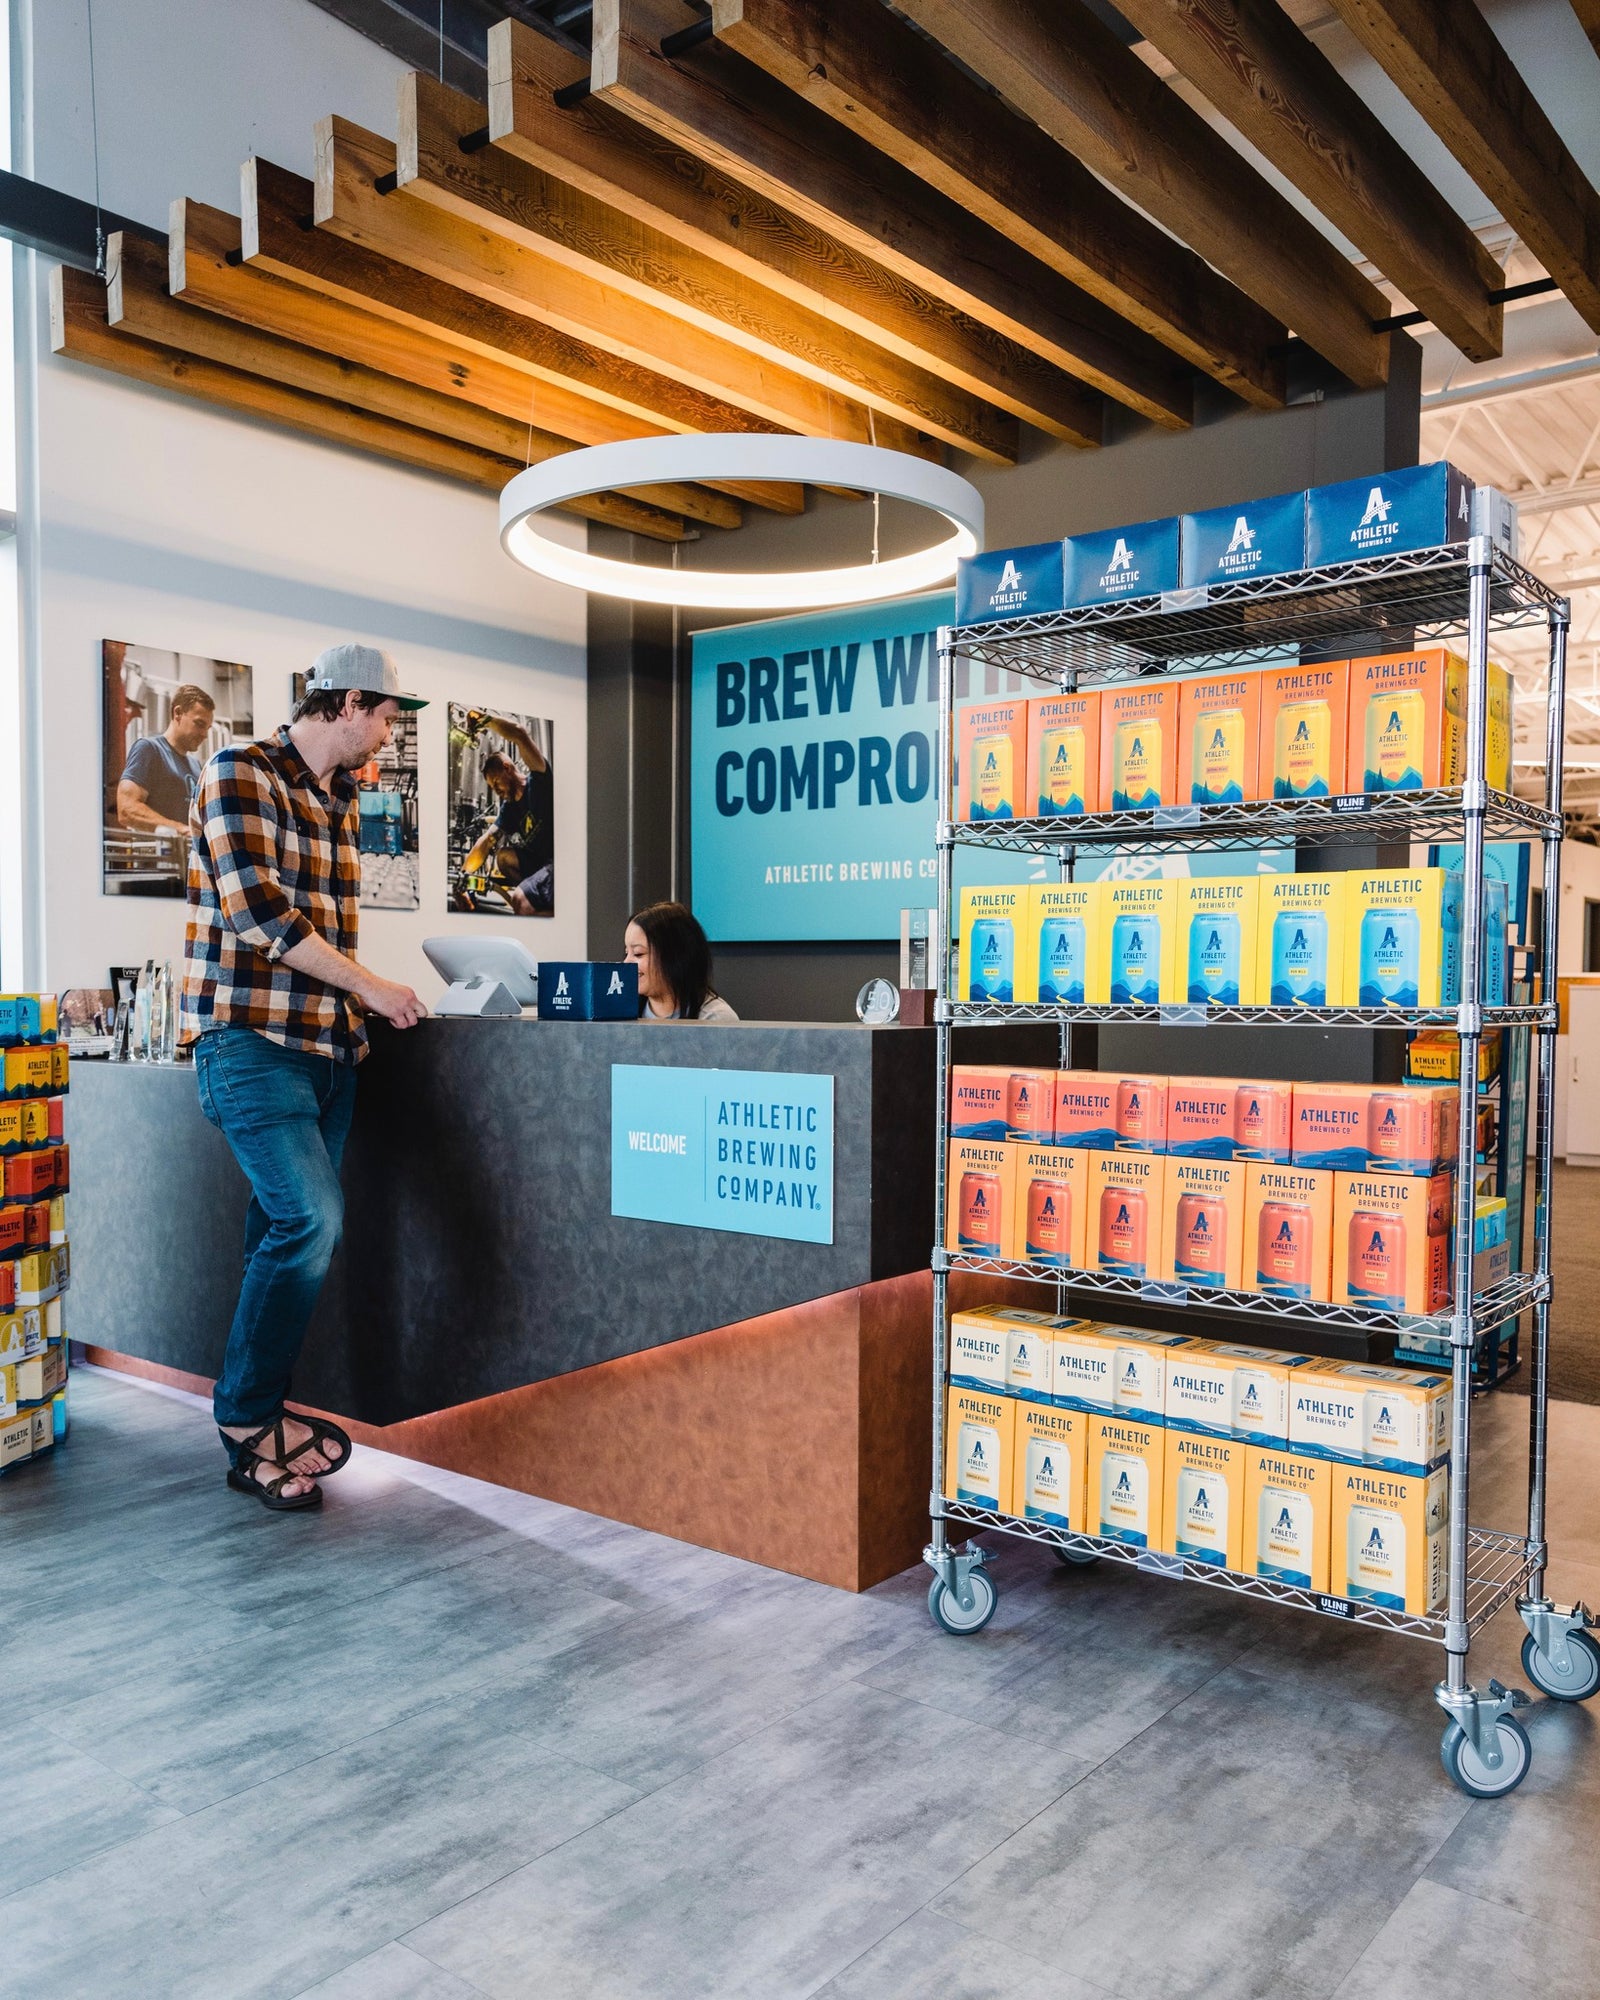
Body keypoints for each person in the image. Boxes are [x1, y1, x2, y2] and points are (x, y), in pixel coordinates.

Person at [183, 644, 429, 1512]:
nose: (391, 732)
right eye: (390, 714)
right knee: (310, 1220)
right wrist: (372, 986)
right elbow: (256, 914)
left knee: (278, 1237)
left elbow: (325, 934)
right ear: (351, 701)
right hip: (249, 1045)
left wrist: (365, 1006)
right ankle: (248, 1418)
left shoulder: (345, 799)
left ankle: (254, 1436)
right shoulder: (237, 770)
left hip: (330, 1055)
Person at [460, 713, 553, 914]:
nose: (496, 790)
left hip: (557, 862)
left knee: (520, 900)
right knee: (504, 858)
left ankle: (541, 908)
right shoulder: (510, 808)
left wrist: (484, 719)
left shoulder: (539, 782)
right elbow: (486, 840)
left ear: (507, 768)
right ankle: (534, 899)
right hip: (538, 864)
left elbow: (519, 734)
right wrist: (463, 878)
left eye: (496, 783)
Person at [117, 683, 215, 834]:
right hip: (158, 856)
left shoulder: (196, 766)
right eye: (199, 724)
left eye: (207, 728)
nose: (205, 735)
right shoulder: (149, 749)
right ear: (178, 713)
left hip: (188, 856)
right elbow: (127, 809)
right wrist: (180, 829)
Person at [624, 901, 740, 1022]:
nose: (626, 963)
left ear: (675, 956)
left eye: (638, 953)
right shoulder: (621, 1012)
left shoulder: (715, 1019)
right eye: (627, 953)